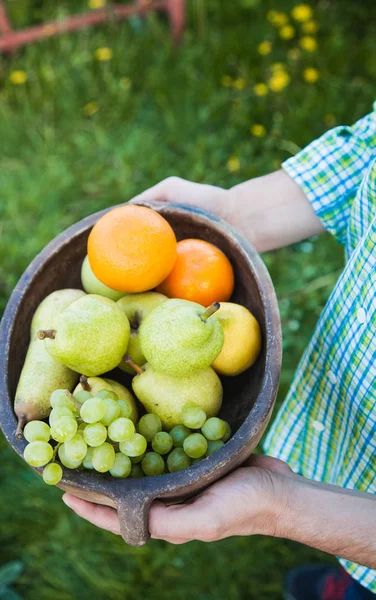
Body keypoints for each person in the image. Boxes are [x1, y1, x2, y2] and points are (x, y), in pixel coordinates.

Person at [62, 104, 376, 599]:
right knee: (347, 565)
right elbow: (369, 148)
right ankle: (344, 574)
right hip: (345, 433)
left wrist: (283, 509)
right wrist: (237, 212)